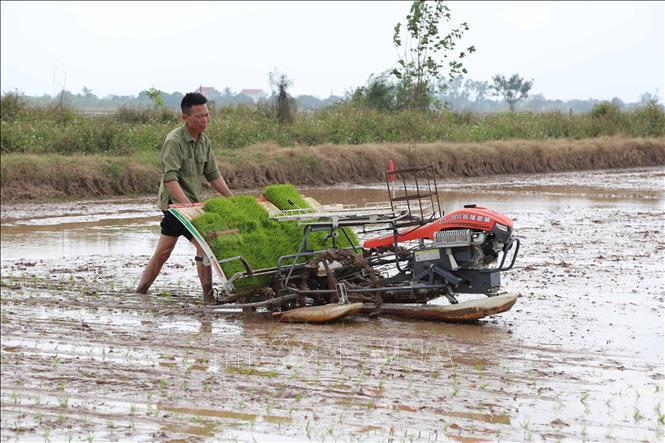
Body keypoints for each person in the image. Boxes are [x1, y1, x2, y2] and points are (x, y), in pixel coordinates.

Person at [136, 92, 232, 302]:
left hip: (190, 205)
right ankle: (208, 298)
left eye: (207, 115)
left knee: (163, 252)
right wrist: (187, 208)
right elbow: (170, 179)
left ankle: (140, 291)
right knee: (203, 243)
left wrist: (231, 199)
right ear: (185, 118)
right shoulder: (174, 141)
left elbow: (213, 175)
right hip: (175, 206)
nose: (205, 120)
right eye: (200, 116)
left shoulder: (204, 141)